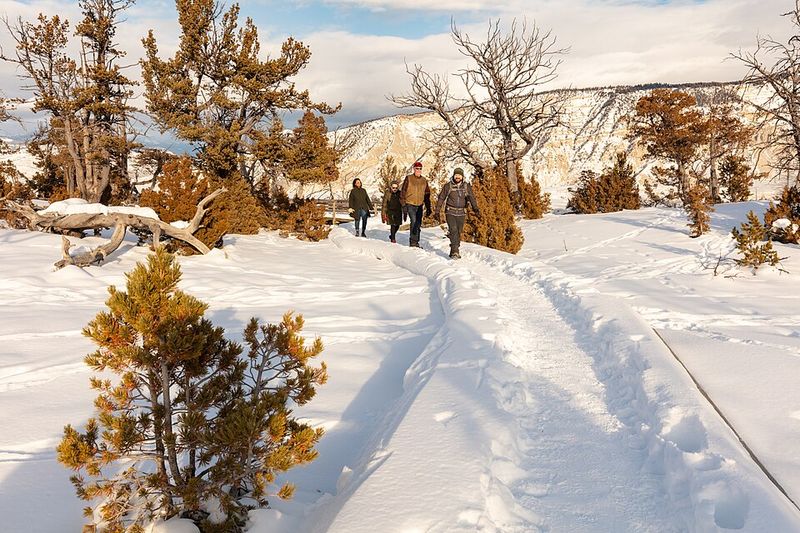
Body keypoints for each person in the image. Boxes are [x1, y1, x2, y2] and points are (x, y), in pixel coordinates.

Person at [435, 167, 481, 259]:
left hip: (461, 212)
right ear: (453, 176)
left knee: (458, 232)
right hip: (450, 211)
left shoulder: (466, 186)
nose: (458, 177)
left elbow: (472, 198)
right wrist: (437, 211)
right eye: (456, 175)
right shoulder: (448, 186)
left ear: (462, 176)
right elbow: (441, 198)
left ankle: (454, 249)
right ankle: (455, 251)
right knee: (453, 230)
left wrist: (476, 209)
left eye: (459, 175)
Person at [400, 161, 431, 247]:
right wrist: (403, 205)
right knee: (413, 221)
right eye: (417, 168)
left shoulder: (424, 180)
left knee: (418, 223)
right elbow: (403, 192)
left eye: (420, 168)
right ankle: (413, 242)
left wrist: (428, 207)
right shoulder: (409, 178)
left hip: (420, 205)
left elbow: (427, 194)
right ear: (414, 169)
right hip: (410, 203)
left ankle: (416, 241)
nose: (418, 170)